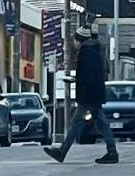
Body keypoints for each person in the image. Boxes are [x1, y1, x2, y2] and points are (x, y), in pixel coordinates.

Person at [44, 25, 117, 165]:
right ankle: (111, 151)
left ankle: (62, 151)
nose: (74, 43)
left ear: (80, 40)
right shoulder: (95, 49)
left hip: (88, 93)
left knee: (77, 122)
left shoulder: (87, 51)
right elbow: (93, 73)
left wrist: (79, 83)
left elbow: (88, 75)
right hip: (94, 92)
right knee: (100, 123)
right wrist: (76, 79)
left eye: (75, 40)